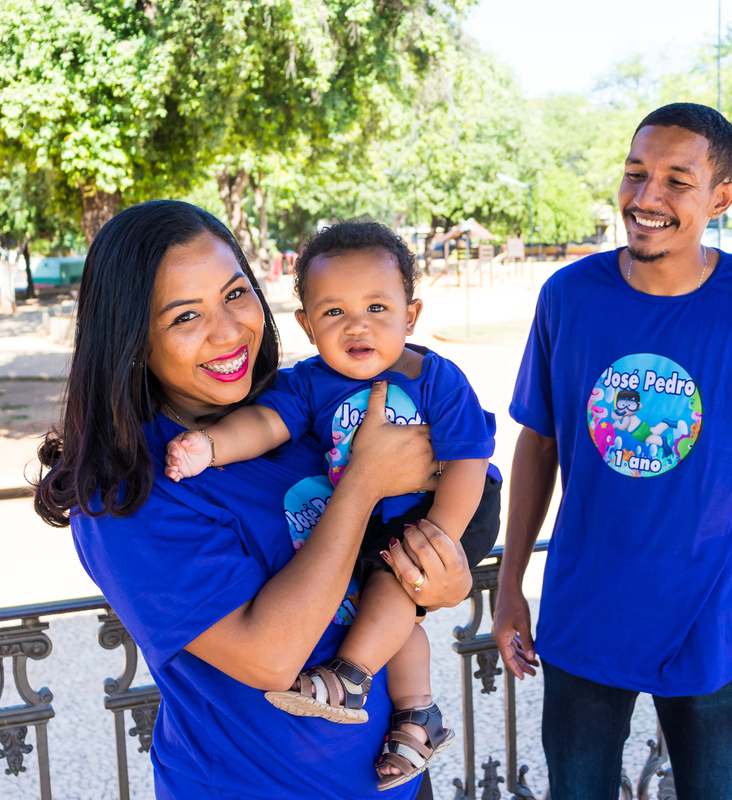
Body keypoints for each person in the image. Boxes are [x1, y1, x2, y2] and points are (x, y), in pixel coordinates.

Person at [33, 200, 474, 800]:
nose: (229, 330)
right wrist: (364, 480)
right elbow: (271, 657)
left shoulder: (295, 411)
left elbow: (410, 526)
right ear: (132, 338)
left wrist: (437, 582)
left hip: (389, 781)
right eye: (186, 316)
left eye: (236, 294)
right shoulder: (126, 494)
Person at [492, 103, 732, 800]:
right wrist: (510, 583)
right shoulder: (569, 297)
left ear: (721, 198)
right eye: (636, 173)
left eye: (677, 180)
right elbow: (538, 442)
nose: (646, 198)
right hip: (585, 615)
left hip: (713, 626)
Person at [164, 220, 502, 789]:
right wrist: (211, 447)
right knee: (388, 598)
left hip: (452, 504)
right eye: (334, 312)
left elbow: (468, 458)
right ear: (306, 324)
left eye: (377, 308)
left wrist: (438, 539)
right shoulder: (308, 384)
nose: (357, 326)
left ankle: (350, 676)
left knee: (396, 581)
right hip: (377, 515)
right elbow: (266, 425)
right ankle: (417, 715)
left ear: (411, 315)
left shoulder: (434, 377)